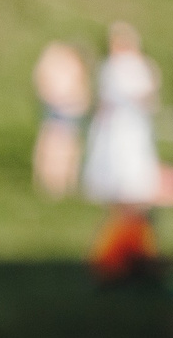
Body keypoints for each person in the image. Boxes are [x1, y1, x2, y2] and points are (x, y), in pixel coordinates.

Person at [84, 24, 163, 280]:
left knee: (131, 186)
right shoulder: (117, 67)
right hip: (121, 133)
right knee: (125, 188)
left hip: (129, 133)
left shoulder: (132, 67)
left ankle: (131, 252)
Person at [32, 41, 90, 201]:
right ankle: (52, 183)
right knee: (54, 147)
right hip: (59, 109)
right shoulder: (55, 63)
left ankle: (64, 183)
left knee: (68, 148)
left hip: (70, 109)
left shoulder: (68, 65)